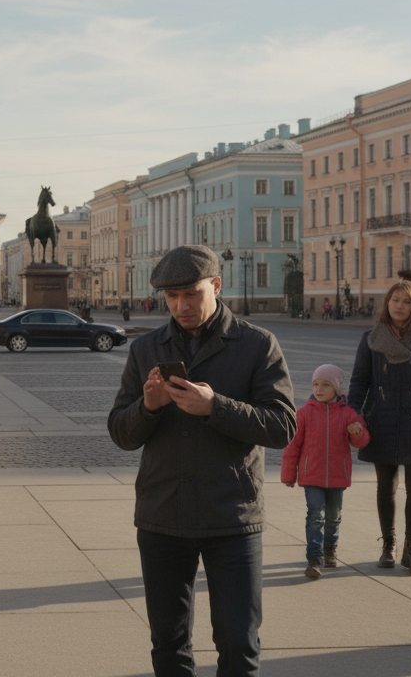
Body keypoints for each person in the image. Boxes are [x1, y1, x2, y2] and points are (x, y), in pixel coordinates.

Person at [107, 245, 296, 677]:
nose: (181, 306)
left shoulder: (256, 344)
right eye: (171, 297)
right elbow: (121, 432)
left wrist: (217, 407)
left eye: (190, 294)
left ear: (215, 285)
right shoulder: (146, 349)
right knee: (169, 646)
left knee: (237, 642)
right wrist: (148, 406)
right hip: (162, 516)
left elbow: (284, 426)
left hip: (231, 516)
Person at [348, 279, 411, 576]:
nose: (399, 306)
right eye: (395, 300)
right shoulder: (371, 338)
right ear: (387, 304)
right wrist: (355, 415)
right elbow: (359, 381)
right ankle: (388, 545)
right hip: (382, 420)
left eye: (406, 301)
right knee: (385, 487)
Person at [280, 364, 369, 579]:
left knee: (333, 517)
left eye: (326, 385)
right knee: (315, 516)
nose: (319, 389)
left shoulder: (349, 414)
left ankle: (330, 549)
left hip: (338, 475)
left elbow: (362, 441)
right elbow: (293, 446)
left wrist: (357, 433)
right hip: (312, 475)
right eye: (316, 384)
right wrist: (289, 474)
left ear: (337, 389)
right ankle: (314, 558)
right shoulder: (303, 414)